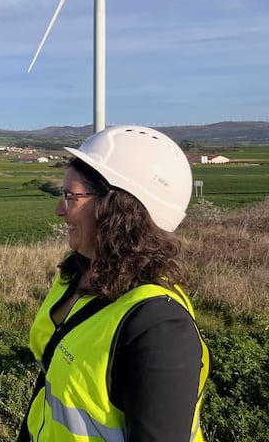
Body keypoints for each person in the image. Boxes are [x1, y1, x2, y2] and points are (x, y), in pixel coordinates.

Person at [18, 125, 209, 442]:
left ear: (118, 208)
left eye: (71, 196)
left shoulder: (159, 328)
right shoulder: (77, 272)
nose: (59, 210)